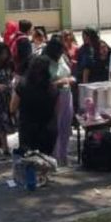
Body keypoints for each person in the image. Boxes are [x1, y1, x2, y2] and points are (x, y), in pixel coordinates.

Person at [10, 55, 57, 155]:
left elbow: (12, 107)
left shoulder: (22, 85)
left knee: (29, 160)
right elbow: (57, 109)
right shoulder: (52, 87)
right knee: (46, 160)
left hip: (28, 129)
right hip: (47, 129)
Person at [43, 37, 75, 165]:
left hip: (67, 94)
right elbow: (44, 84)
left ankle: (63, 154)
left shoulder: (62, 58)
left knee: (66, 126)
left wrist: (70, 79)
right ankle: (54, 156)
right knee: (56, 127)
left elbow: (69, 74)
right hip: (54, 96)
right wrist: (60, 82)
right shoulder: (45, 62)